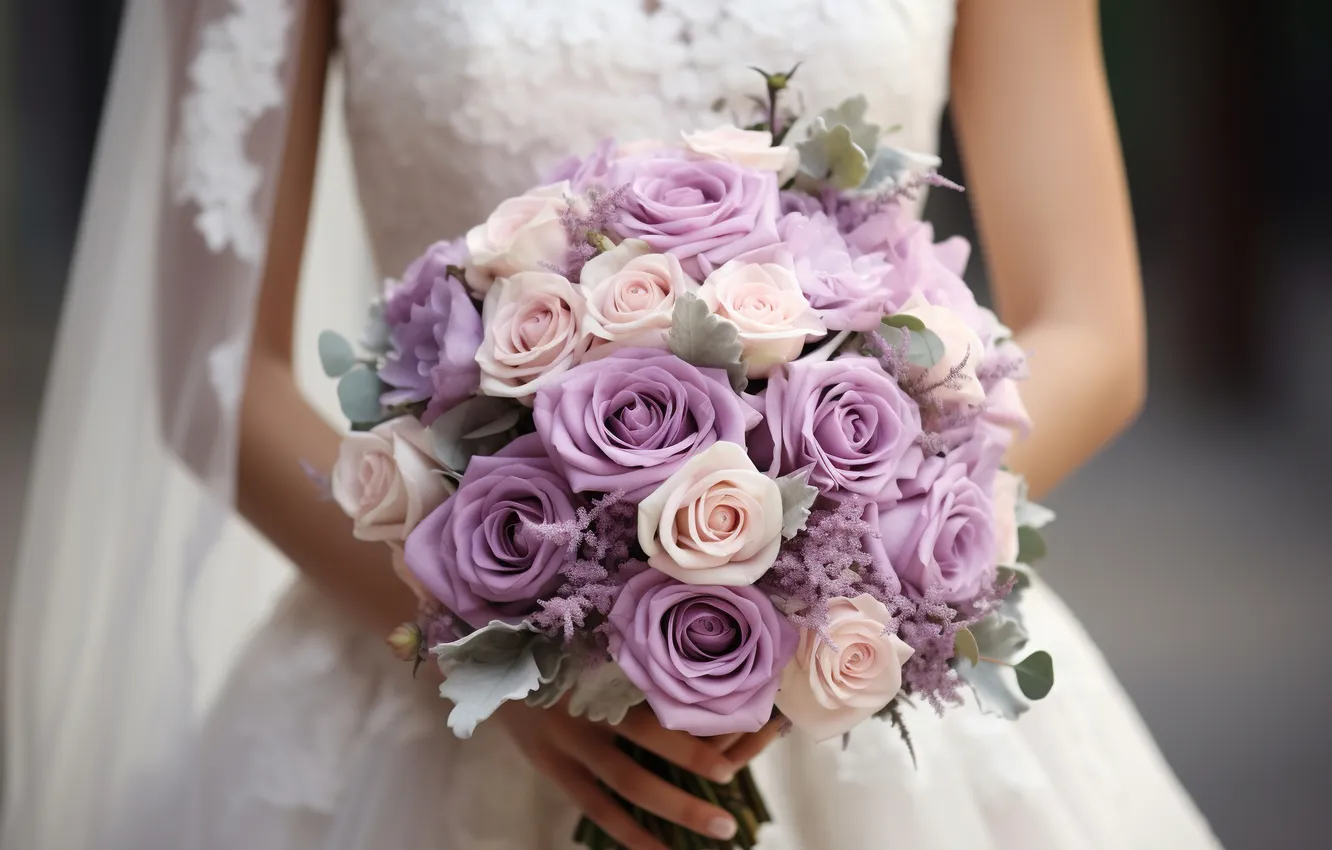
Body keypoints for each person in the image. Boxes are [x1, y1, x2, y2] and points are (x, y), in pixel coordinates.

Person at [3, 1, 1225, 848]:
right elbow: (210, 368)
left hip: (867, 678)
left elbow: (1094, 333)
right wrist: (489, 636)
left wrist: (855, 564)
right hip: (432, 651)